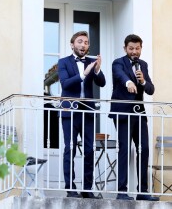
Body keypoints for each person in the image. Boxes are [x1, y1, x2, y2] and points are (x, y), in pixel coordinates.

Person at [109, 34, 159, 201]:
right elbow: (119, 75)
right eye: (131, 48)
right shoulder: (118, 62)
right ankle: (121, 192)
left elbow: (150, 89)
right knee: (124, 150)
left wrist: (143, 81)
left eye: (137, 49)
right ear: (125, 48)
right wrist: (128, 83)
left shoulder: (143, 65)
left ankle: (142, 192)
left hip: (139, 113)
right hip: (123, 113)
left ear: (141, 49)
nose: (134, 52)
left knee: (143, 149)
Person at [58, 31, 106, 198]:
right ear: (72, 45)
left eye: (86, 42)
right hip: (69, 112)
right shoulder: (63, 62)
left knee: (89, 150)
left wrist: (98, 70)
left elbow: (102, 83)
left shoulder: (92, 62)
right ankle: (70, 188)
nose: (83, 45)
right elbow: (65, 83)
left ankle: (87, 189)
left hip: (88, 112)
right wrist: (83, 74)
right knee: (69, 150)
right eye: (80, 42)